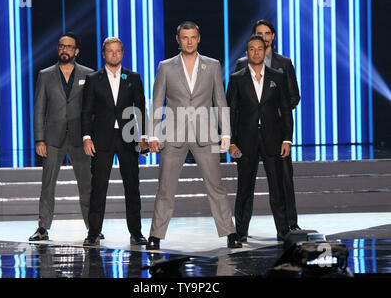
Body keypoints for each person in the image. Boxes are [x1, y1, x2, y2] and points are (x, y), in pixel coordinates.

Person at [147, 21, 241, 250]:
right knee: (165, 188)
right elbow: (157, 100)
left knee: (216, 185)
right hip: (173, 134)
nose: (189, 41)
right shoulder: (166, 66)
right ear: (177, 40)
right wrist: (152, 135)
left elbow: (220, 100)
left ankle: (230, 233)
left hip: (206, 133)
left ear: (198, 38)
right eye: (184, 37)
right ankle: (155, 236)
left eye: (193, 37)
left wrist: (226, 132)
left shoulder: (213, 65)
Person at [234, 19, 301, 231]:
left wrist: (278, 114)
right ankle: (241, 231)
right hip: (248, 134)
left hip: (276, 131)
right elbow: (233, 105)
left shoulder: (283, 64)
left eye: (266, 33)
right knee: (245, 185)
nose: (263, 37)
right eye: (258, 33)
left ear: (272, 37)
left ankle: (289, 225)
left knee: (282, 183)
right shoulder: (241, 67)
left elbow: (292, 97)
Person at [81, 37, 149, 246]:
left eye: (118, 51)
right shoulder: (93, 79)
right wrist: (86, 137)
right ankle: (93, 233)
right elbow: (86, 111)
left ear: (122, 52)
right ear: (104, 53)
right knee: (98, 187)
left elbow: (140, 108)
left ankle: (136, 232)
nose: (114, 55)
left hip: (128, 138)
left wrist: (144, 136)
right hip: (101, 139)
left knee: (132, 186)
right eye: (110, 51)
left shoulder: (133, 77)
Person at [30, 32, 93, 241]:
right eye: (61, 46)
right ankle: (43, 227)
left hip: (80, 138)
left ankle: (93, 227)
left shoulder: (88, 74)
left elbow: (92, 109)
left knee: (86, 185)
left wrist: (90, 136)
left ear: (76, 51)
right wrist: (39, 139)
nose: (64, 50)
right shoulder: (45, 74)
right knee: (47, 184)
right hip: (52, 140)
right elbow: (39, 108)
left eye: (68, 47)